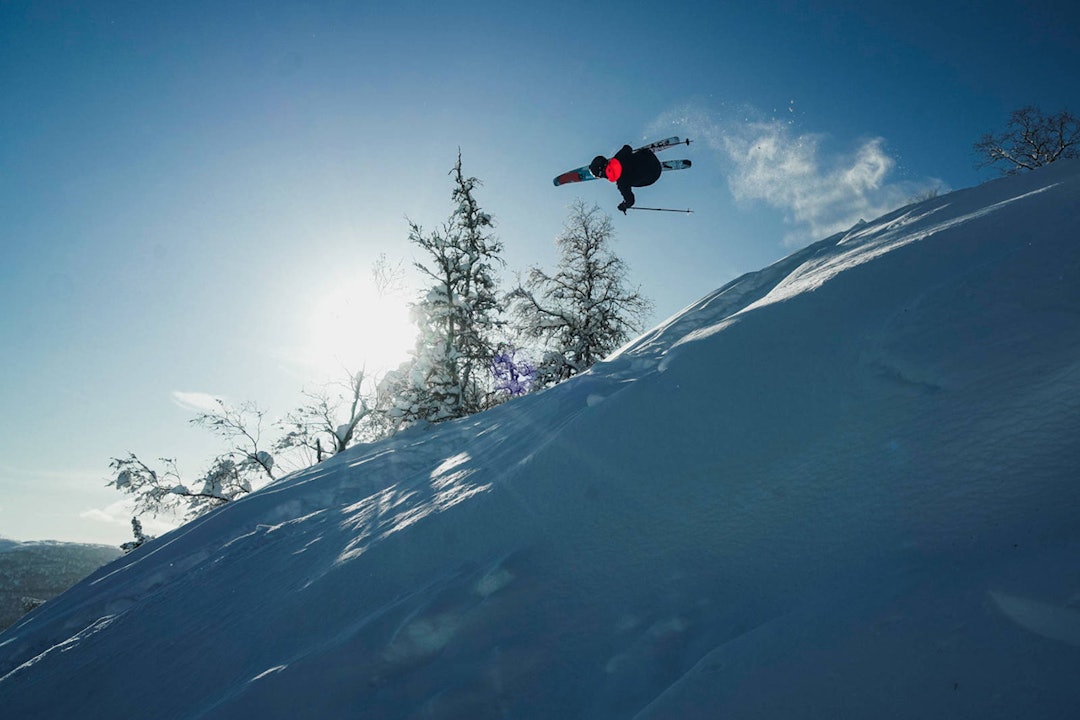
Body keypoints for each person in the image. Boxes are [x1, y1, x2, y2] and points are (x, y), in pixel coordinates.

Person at [589, 144, 663, 213]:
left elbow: (630, 201)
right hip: (650, 157)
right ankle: (642, 159)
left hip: (654, 174)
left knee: (632, 181)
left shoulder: (621, 184)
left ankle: (643, 169)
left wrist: (624, 206)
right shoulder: (619, 157)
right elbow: (627, 147)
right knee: (633, 159)